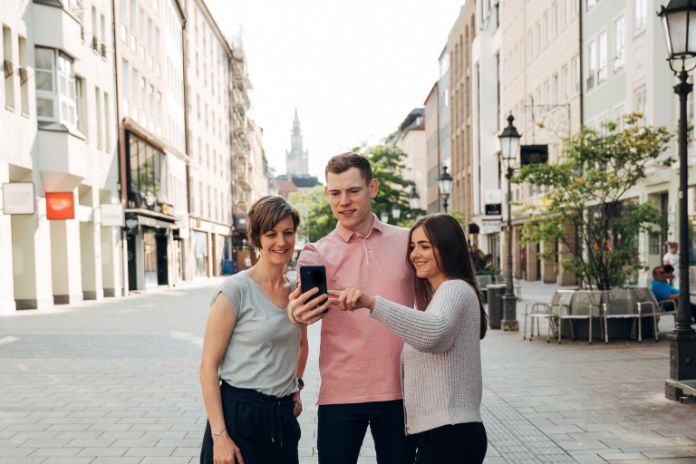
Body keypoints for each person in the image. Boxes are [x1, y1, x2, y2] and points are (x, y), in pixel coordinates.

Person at [288, 152, 416, 464]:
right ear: (326, 194)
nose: (343, 201)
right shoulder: (316, 252)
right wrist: (297, 312)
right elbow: (298, 308)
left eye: (353, 191)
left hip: (401, 391)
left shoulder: (407, 241)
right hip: (341, 393)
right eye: (335, 193)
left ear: (372, 188)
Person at [330, 213, 488, 464]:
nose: (415, 254)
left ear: (448, 247)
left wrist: (371, 303)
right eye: (413, 246)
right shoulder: (440, 296)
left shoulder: (454, 288)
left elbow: (433, 334)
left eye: (425, 246)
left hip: (450, 433)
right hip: (443, 433)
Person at [199, 196, 328, 464]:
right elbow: (207, 367)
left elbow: (301, 345)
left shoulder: (296, 289)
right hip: (239, 414)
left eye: (288, 233)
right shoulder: (235, 290)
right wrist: (219, 437)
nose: (281, 242)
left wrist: (297, 384)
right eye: (271, 234)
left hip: (281, 418)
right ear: (258, 238)